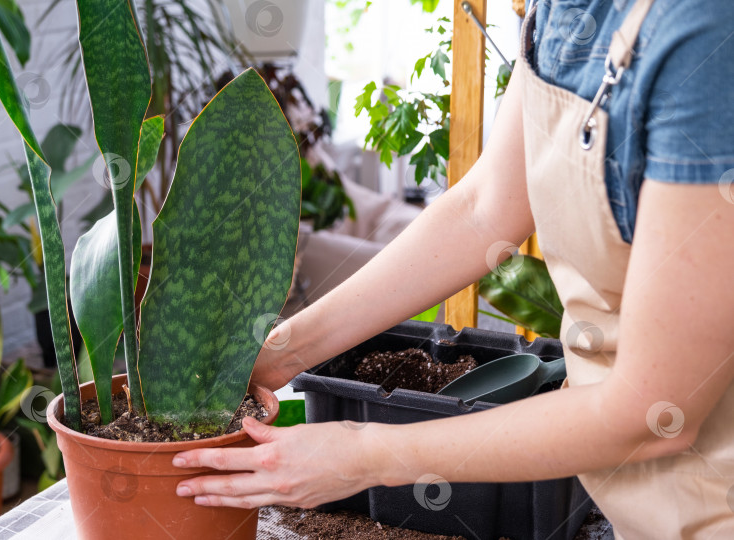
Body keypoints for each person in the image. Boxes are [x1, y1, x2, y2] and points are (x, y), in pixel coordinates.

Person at [171, 0, 734, 536]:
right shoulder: (562, 10)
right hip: (636, 507)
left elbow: (657, 410)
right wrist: (281, 353)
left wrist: (364, 454)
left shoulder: (707, 37)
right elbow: (484, 209)